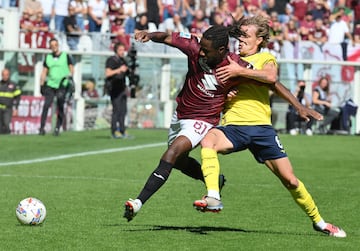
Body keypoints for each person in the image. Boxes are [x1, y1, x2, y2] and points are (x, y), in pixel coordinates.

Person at [123, 26, 322, 222]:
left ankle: (138, 202)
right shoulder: (194, 47)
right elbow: (166, 37)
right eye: (201, 47)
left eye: (206, 51)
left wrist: (299, 106)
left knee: (170, 154)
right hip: (181, 114)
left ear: (221, 50)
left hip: (202, 120)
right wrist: (149, 35)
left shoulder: (236, 65)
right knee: (180, 162)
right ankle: (215, 180)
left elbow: (272, 82)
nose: (201, 52)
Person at [193, 15, 346, 238]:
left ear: (260, 39)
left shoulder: (265, 58)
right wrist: (225, 93)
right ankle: (213, 196)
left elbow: (271, 77)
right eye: (239, 35)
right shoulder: (228, 58)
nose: (240, 39)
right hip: (234, 126)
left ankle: (320, 222)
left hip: (262, 130)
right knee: (208, 141)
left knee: (291, 180)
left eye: (246, 35)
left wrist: (298, 106)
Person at [39, 38, 74, 136]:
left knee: (60, 105)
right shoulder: (48, 57)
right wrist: (41, 84)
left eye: (55, 44)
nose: (54, 47)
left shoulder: (65, 56)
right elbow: (44, 71)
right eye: (52, 45)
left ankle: (58, 127)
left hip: (62, 84)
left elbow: (71, 69)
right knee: (46, 105)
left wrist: (69, 78)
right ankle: (42, 127)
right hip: (51, 84)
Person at [105, 42, 130, 139]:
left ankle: (122, 130)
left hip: (122, 88)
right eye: (120, 50)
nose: (122, 52)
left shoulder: (123, 60)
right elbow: (107, 73)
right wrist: (119, 70)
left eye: (123, 50)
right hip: (114, 89)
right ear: (116, 50)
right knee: (116, 110)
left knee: (123, 110)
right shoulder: (111, 60)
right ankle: (114, 130)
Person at [0, 68, 21, 134]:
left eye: (6, 75)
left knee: (6, 124)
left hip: (8, 108)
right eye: (3, 75)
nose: (5, 76)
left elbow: (17, 97)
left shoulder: (14, 85)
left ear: (9, 75)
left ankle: (7, 135)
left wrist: (16, 108)